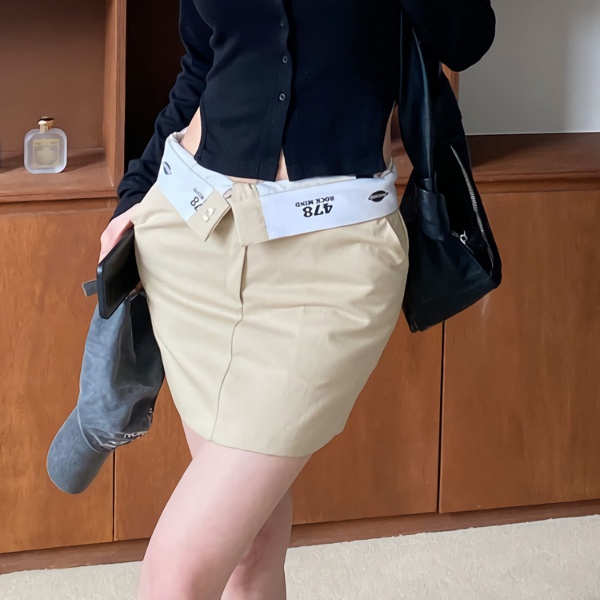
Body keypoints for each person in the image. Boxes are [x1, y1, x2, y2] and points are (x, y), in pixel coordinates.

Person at [98, 2, 496, 598]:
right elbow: (202, 66)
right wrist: (135, 194)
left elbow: (467, 37)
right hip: (191, 236)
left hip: (332, 264)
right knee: (250, 547)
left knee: (176, 577)